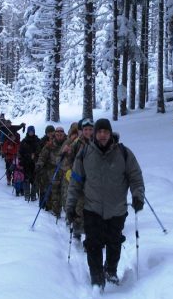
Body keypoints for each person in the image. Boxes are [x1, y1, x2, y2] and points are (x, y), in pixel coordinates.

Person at [65, 118, 145, 289]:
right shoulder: (85, 153)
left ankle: (110, 271)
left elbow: (135, 177)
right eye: (99, 132)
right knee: (93, 243)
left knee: (114, 242)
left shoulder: (124, 153)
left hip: (117, 209)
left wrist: (137, 196)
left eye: (105, 132)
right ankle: (96, 277)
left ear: (110, 133)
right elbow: (75, 182)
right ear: (94, 134)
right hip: (92, 208)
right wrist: (70, 205)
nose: (102, 135)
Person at [64, 118, 94, 240]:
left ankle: (90, 238)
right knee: (79, 208)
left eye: (90, 129)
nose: (88, 132)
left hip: (93, 183)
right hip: (79, 180)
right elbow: (69, 161)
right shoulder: (76, 143)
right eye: (85, 129)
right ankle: (77, 230)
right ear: (81, 131)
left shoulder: (96, 141)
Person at [36, 126, 67, 218]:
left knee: (66, 192)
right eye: (57, 134)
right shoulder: (50, 145)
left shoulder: (68, 143)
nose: (59, 136)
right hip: (54, 171)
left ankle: (68, 213)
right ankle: (56, 211)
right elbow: (42, 156)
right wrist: (39, 164)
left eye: (61, 134)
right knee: (55, 192)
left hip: (66, 171)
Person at [19, 125, 41, 201]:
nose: (31, 133)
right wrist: (21, 161)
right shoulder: (24, 141)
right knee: (26, 180)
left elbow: (41, 151)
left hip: (35, 163)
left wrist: (35, 155)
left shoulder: (38, 141)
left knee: (35, 180)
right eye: (30, 132)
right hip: (26, 163)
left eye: (32, 131)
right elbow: (20, 153)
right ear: (28, 132)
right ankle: (27, 195)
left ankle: (33, 195)